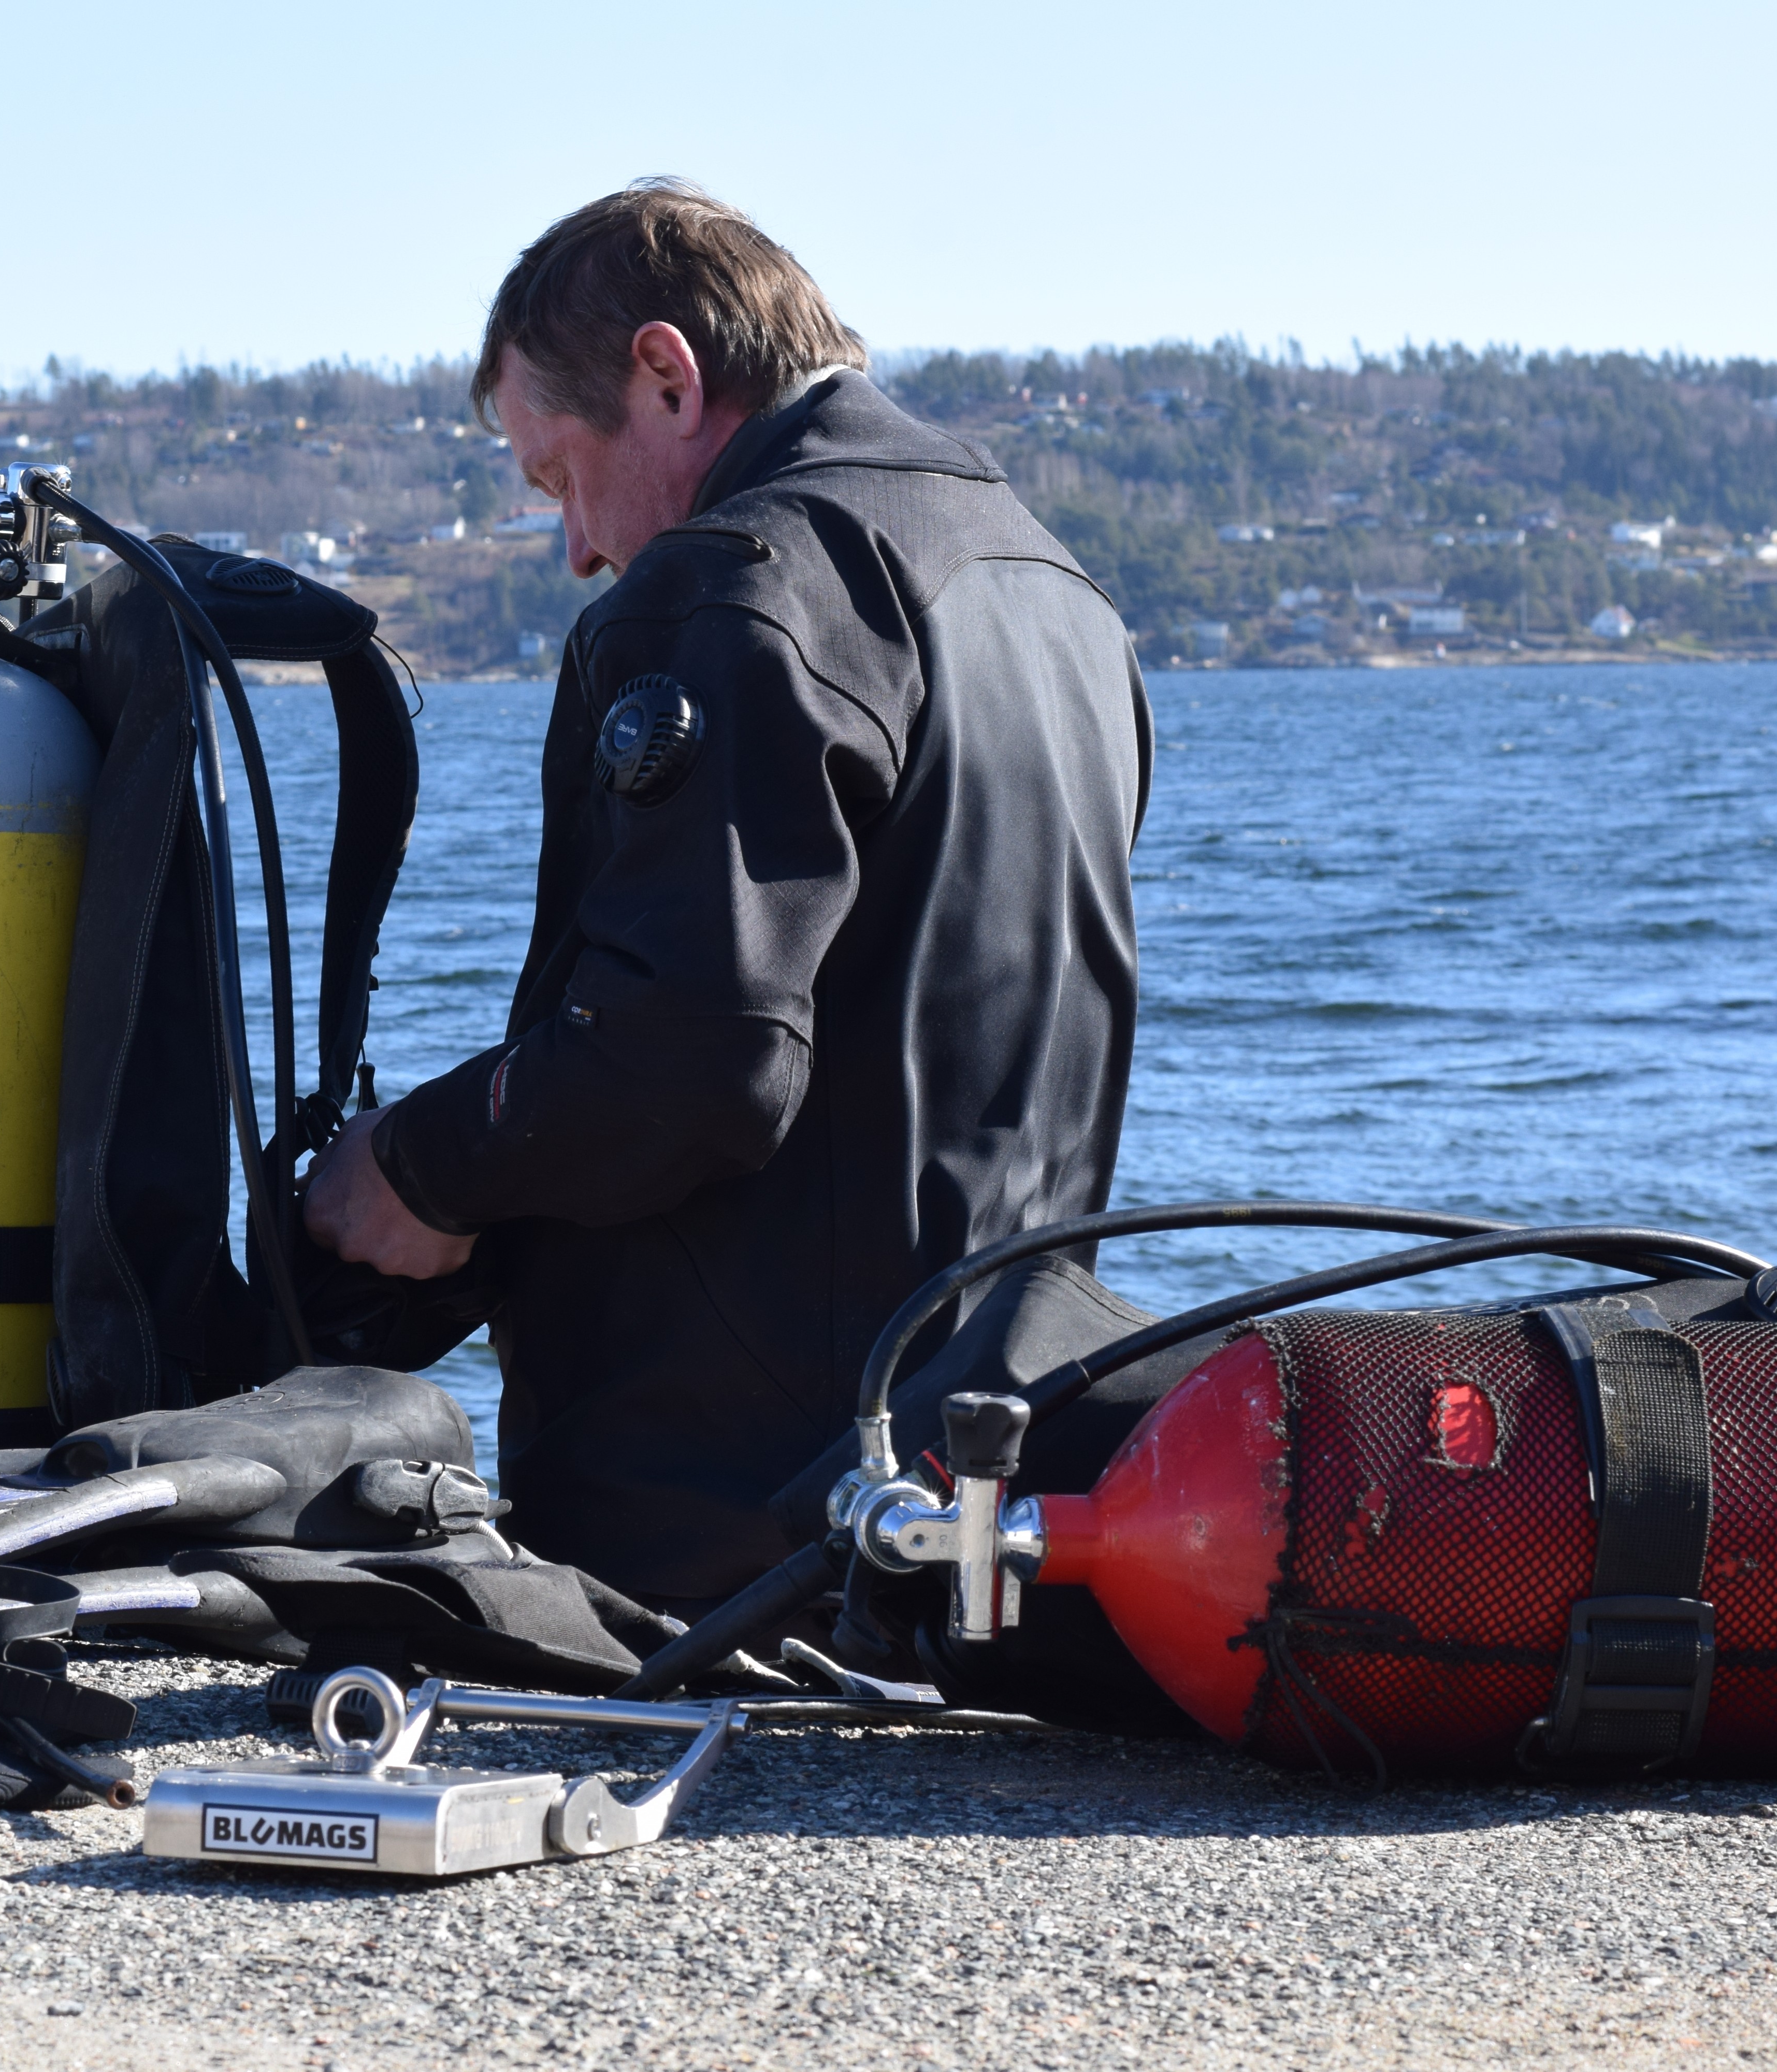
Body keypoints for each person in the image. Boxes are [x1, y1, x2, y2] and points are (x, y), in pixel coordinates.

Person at [304, 181, 1152, 1609]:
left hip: (732, 1520)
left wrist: (418, 1171)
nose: (576, 546)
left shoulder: (737, 586)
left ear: (665, 376)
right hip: (984, 1473)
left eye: (557, 473)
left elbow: (687, 1060)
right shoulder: (1053, 589)